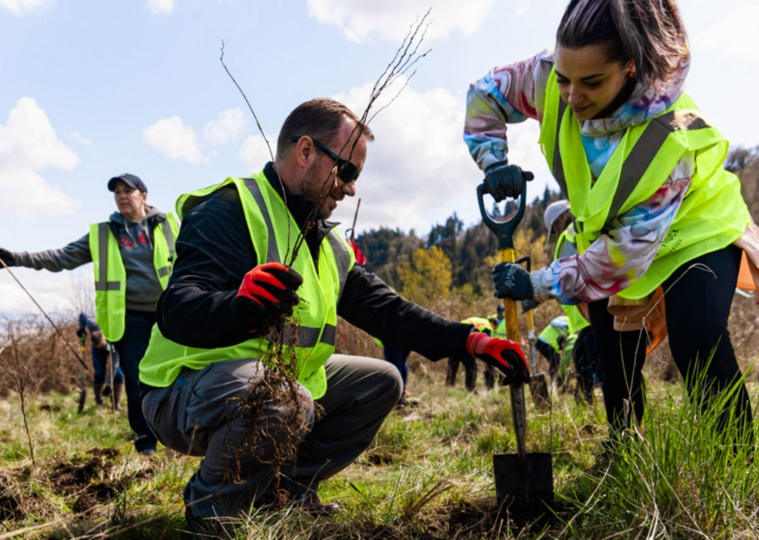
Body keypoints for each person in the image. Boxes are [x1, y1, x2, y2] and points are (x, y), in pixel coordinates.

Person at [465, 0, 759, 451]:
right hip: (609, 235)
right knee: (611, 346)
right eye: (565, 79)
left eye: (591, 83)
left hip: (694, 230)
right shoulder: (548, 76)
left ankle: (735, 465)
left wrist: (539, 282)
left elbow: (624, 258)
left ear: (630, 68)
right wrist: (493, 161)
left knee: (696, 339)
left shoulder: (666, 137)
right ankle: (625, 452)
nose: (571, 97)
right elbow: (486, 94)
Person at [135, 98, 530, 527]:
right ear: (306, 151)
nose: (351, 188)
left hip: (273, 392)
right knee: (282, 399)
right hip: (182, 394)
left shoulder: (329, 244)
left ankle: (284, 492)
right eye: (347, 171)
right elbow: (177, 309)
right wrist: (239, 308)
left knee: (381, 382)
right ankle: (214, 511)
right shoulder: (230, 210)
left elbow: (389, 312)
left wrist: (469, 340)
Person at [0, 174, 178, 455]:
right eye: (117, 192)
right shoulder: (103, 234)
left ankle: (177, 431)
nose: (121, 196)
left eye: (127, 190)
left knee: (174, 374)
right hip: (128, 318)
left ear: (143, 195)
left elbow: (197, 257)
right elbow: (62, 257)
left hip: (170, 314)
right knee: (135, 378)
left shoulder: (170, 225)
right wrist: (17, 258)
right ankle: (146, 438)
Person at [524, 200, 601, 398]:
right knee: (581, 356)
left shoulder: (569, 234)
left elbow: (567, 276)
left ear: (559, 220)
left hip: (593, 310)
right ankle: (585, 402)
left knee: (597, 363)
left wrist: (536, 295)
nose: (556, 235)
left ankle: (614, 413)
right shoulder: (583, 228)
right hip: (588, 314)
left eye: (554, 230)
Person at [77, 312, 124, 411]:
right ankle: (99, 402)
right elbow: (82, 315)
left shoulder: (113, 336)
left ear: (104, 339)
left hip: (112, 345)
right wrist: (81, 329)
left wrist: (108, 384)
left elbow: (114, 364)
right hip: (98, 350)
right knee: (99, 373)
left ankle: (116, 403)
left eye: (101, 346)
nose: (100, 348)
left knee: (118, 373)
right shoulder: (92, 324)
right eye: (98, 347)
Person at [446, 316, 494, 392]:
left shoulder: (478, 320)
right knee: (471, 365)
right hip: (464, 339)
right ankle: (470, 388)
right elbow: (486, 343)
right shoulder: (487, 325)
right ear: (492, 323)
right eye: (494, 328)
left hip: (454, 335)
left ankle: (449, 385)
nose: (493, 330)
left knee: (453, 362)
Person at [375, 338, 411, 405]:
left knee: (394, 368)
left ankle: (397, 400)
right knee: (402, 363)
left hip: (392, 337)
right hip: (409, 337)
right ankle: (403, 392)